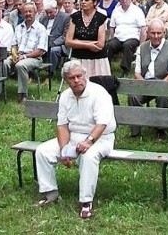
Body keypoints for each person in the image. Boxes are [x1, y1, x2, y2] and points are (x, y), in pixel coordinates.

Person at [34, 60, 116, 219]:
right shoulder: (65, 96)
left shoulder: (99, 93)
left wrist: (88, 142)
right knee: (42, 151)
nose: (76, 80)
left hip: (101, 138)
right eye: (72, 78)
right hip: (73, 137)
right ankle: (50, 194)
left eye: (79, 76)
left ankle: (86, 202)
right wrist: (64, 150)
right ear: (66, 80)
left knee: (88, 156)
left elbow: (102, 123)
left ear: (85, 75)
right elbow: (62, 125)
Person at [129, 19, 168, 140]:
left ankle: (160, 129)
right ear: (147, 32)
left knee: (163, 96)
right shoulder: (142, 47)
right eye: (152, 33)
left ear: (164, 33)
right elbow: (137, 72)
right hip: (145, 83)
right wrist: (143, 85)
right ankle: (135, 131)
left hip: (164, 83)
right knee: (133, 96)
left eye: (159, 33)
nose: (156, 36)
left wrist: (161, 85)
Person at [1, 2, 48, 103]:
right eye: (25, 11)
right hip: (18, 55)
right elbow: (14, 45)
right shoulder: (19, 27)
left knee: (20, 65)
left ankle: (23, 95)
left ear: (35, 12)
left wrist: (24, 56)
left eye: (30, 11)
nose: (28, 14)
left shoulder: (41, 29)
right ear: (22, 13)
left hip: (34, 58)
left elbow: (40, 51)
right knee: (3, 62)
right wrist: (14, 54)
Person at [65, 0, 110, 79]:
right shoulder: (75, 17)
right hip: (78, 58)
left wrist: (78, 42)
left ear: (95, 2)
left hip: (97, 60)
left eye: (86, 0)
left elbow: (100, 44)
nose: (83, 2)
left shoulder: (101, 18)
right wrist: (89, 45)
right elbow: (68, 42)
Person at [107, 0, 147, 75]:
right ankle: (106, 68)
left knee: (127, 45)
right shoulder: (116, 10)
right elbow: (112, 27)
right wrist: (112, 38)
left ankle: (125, 70)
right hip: (118, 37)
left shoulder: (137, 11)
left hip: (132, 37)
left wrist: (141, 45)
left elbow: (143, 29)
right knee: (109, 45)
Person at [40, 0, 71, 76]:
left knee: (53, 50)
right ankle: (32, 75)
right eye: (47, 12)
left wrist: (53, 43)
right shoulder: (43, 18)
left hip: (60, 45)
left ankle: (50, 74)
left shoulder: (66, 17)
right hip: (44, 43)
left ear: (56, 9)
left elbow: (65, 36)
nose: (49, 15)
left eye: (51, 12)